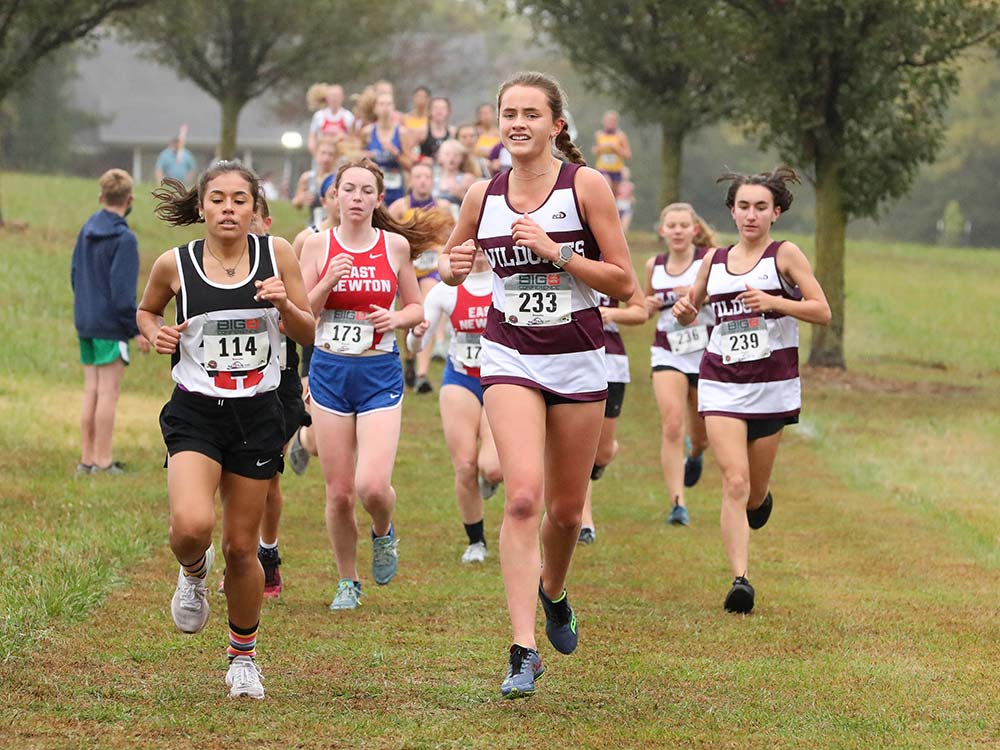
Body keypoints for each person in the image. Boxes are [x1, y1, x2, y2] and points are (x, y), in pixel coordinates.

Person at [440, 71, 635, 698]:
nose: (517, 123)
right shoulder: (482, 195)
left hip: (579, 360)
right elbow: (451, 263)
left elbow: (624, 284)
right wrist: (453, 265)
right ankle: (523, 650)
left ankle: (554, 590)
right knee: (523, 497)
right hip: (510, 356)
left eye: (530, 113)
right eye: (508, 113)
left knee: (565, 510)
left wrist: (557, 254)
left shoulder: (587, 186)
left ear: (556, 125)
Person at [136, 161, 314, 699]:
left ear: (255, 207)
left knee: (242, 548)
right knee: (191, 526)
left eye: (240, 199)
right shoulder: (176, 264)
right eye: (218, 199)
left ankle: (243, 658)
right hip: (196, 410)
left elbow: (309, 329)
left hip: (258, 414)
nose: (229, 208)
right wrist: (156, 333)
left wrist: (284, 302)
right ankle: (192, 571)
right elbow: (145, 313)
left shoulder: (276, 253)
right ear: (201, 207)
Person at [672, 167, 831, 614]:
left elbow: (822, 310)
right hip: (721, 383)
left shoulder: (785, 256)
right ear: (732, 210)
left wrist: (776, 302)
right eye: (743, 206)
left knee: (755, 493)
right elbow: (690, 311)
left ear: (776, 212)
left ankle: (761, 502)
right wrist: (685, 310)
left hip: (773, 388)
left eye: (761, 207)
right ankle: (740, 579)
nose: (751, 215)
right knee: (735, 481)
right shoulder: (714, 261)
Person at [299, 156, 448, 611]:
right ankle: (348, 580)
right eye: (350, 189)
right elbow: (301, 312)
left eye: (367, 191)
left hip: (378, 372)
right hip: (329, 372)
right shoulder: (316, 245)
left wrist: (395, 317)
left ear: (379, 198)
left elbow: (417, 308)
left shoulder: (394, 247)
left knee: (372, 487)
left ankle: (383, 531)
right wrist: (328, 280)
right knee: (340, 493)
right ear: (335, 196)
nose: (357, 198)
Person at [407, 245, 501, 563]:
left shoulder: (505, 282)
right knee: (464, 465)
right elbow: (415, 340)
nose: (478, 255)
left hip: (500, 382)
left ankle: (489, 479)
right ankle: (476, 541)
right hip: (460, 379)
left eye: (483, 248)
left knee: (493, 467)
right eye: (471, 249)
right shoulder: (444, 291)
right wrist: (417, 336)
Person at [71, 168, 150, 476]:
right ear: (130, 199)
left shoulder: (85, 230)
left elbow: (74, 275)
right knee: (108, 393)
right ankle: (103, 462)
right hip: (110, 327)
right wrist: (136, 328)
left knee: (91, 389)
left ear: (101, 197)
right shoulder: (124, 239)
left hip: (86, 322)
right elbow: (122, 295)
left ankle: (86, 459)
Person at [646, 202, 717, 527]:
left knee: (703, 435)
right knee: (673, 424)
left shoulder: (709, 261)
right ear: (662, 231)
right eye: (670, 225)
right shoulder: (654, 266)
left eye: (682, 225)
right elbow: (644, 308)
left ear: (694, 230)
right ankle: (678, 504)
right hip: (668, 352)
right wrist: (647, 304)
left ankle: (696, 452)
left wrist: (695, 293)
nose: (676, 230)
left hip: (706, 353)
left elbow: (725, 297)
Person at [577, 288, 647, 543]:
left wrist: (612, 313)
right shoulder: (562, 256)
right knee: (580, 448)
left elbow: (641, 311)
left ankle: (599, 462)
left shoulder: (612, 260)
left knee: (602, 452)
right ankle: (585, 523)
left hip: (611, 364)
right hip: (574, 361)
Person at [388, 161, 455, 393]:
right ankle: (409, 360)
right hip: (406, 268)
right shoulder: (399, 207)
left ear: (432, 180)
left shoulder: (443, 207)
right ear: (411, 181)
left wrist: (443, 248)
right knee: (409, 317)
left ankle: (423, 374)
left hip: (431, 269)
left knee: (425, 313)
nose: (423, 180)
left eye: (427, 176)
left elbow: (454, 233)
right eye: (418, 176)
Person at [363, 92, 416, 208]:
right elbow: (357, 158)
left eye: (388, 104)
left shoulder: (402, 132)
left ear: (393, 108)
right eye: (381, 104)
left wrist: (396, 153)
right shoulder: (367, 132)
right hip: (373, 185)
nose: (385, 108)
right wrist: (367, 157)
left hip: (396, 187)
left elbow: (410, 164)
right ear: (375, 108)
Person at [292, 137, 339, 228]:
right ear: (316, 155)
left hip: (334, 228)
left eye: (331, 154)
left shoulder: (340, 178)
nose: (326, 158)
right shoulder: (307, 178)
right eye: (323, 153)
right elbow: (296, 203)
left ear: (336, 157)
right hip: (314, 226)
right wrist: (300, 200)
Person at [308, 84, 356, 156]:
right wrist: (315, 153)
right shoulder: (319, 116)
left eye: (337, 96)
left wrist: (342, 138)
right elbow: (312, 137)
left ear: (342, 97)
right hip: (323, 155)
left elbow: (353, 138)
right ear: (327, 98)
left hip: (341, 156)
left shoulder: (348, 116)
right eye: (332, 95)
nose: (334, 99)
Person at [592, 110, 631, 193]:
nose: (610, 123)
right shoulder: (599, 135)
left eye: (612, 121)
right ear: (603, 122)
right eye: (608, 121)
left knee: (614, 195)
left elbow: (628, 155)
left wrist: (616, 148)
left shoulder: (621, 136)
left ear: (616, 122)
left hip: (616, 170)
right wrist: (601, 147)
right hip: (602, 169)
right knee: (607, 187)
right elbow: (594, 150)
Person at [418, 96, 456, 162]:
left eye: (443, 108)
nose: (439, 111)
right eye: (435, 108)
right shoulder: (421, 131)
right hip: (427, 168)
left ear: (449, 111)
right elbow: (408, 153)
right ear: (429, 111)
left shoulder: (453, 132)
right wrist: (421, 158)